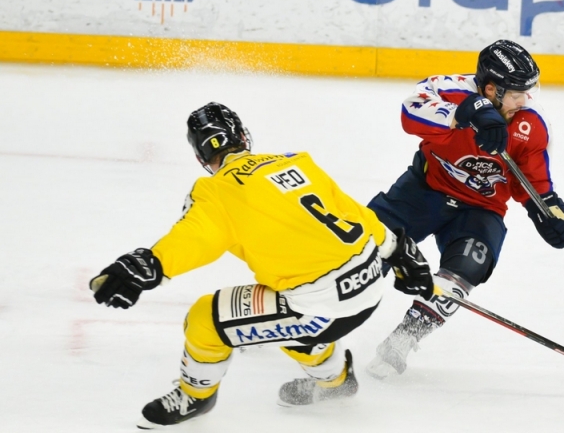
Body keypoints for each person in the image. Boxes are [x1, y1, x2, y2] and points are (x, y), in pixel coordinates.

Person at [88, 102, 434, 429]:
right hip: (370, 284)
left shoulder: (215, 190)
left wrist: (150, 264)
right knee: (283, 319)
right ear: (243, 137)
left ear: (200, 157)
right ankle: (336, 382)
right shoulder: (296, 162)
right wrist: (397, 249)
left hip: (322, 306)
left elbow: (195, 238)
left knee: (204, 319)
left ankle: (195, 397)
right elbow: (353, 211)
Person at [365, 40, 564, 378]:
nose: (524, 100)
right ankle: (300, 316)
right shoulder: (450, 90)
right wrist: (465, 113)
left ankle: (401, 342)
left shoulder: (531, 124)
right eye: (516, 94)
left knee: (467, 267)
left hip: (481, 208)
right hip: (422, 191)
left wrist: (550, 211)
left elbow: (532, 182)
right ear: (491, 89)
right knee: (361, 253)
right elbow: (410, 113)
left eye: (528, 91)